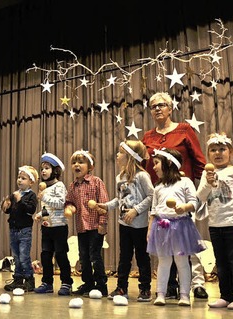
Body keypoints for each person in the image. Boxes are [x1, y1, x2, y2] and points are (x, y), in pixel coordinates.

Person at [141, 92, 208, 300]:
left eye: (161, 105)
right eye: (153, 106)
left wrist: (201, 191)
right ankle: (168, 286)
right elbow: (145, 166)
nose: (157, 109)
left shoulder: (184, 130)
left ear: (170, 108)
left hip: (183, 193)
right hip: (159, 195)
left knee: (186, 243)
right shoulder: (148, 137)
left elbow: (198, 160)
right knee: (164, 245)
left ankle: (194, 284)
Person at [196, 133, 233, 310]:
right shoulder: (207, 175)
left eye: (222, 149)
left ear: (231, 152)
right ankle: (226, 295)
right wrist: (207, 182)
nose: (218, 153)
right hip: (215, 225)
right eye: (213, 150)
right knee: (221, 263)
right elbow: (200, 198)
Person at [96, 141, 154, 302]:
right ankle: (122, 287)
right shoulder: (119, 177)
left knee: (142, 257)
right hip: (124, 225)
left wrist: (136, 210)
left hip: (139, 225)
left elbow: (151, 196)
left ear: (130, 157)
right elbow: (119, 199)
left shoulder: (142, 176)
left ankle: (145, 288)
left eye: (120, 152)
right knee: (124, 257)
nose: (117, 155)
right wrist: (106, 206)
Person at [147, 148, 205, 307]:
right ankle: (161, 294)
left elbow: (194, 203)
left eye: (157, 163)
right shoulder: (158, 186)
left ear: (169, 162)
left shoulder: (185, 182)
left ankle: (184, 294)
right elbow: (154, 210)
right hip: (162, 227)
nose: (154, 167)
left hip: (180, 227)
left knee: (182, 261)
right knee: (164, 262)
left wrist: (184, 207)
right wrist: (150, 229)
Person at [66, 150, 110, 297]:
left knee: (95, 255)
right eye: (74, 162)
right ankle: (88, 284)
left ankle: (101, 285)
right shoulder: (73, 186)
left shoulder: (96, 182)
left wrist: (102, 223)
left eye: (81, 162)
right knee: (83, 256)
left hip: (95, 226)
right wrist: (69, 207)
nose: (76, 165)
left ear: (90, 167)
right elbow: (69, 201)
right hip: (82, 226)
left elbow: (103, 203)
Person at [33, 153, 73, 296]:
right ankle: (47, 283)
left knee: (61, 255)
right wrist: (39, 214)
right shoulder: (44, 188)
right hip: (47, 227)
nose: (43, 171)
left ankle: (66, 283)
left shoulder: (59, 186)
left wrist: (45, 196)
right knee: (45, 255)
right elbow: (47, 209)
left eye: (47, 168)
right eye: (42, 168)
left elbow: (61, 203)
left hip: (59, 227)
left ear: (55, 171)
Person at [1, 165, 38, 292]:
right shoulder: (14, 194)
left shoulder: (31, 195)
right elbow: (10, 210)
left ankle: (29, 279)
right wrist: (6, 206)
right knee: (16, 256)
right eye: (19, 177)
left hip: (24, 230)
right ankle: (18, 279)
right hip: (13, 230)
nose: (20, 180)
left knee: (24, 256)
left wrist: (20, 200)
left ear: (31, 182)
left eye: (23, 178)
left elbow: (30, 210)